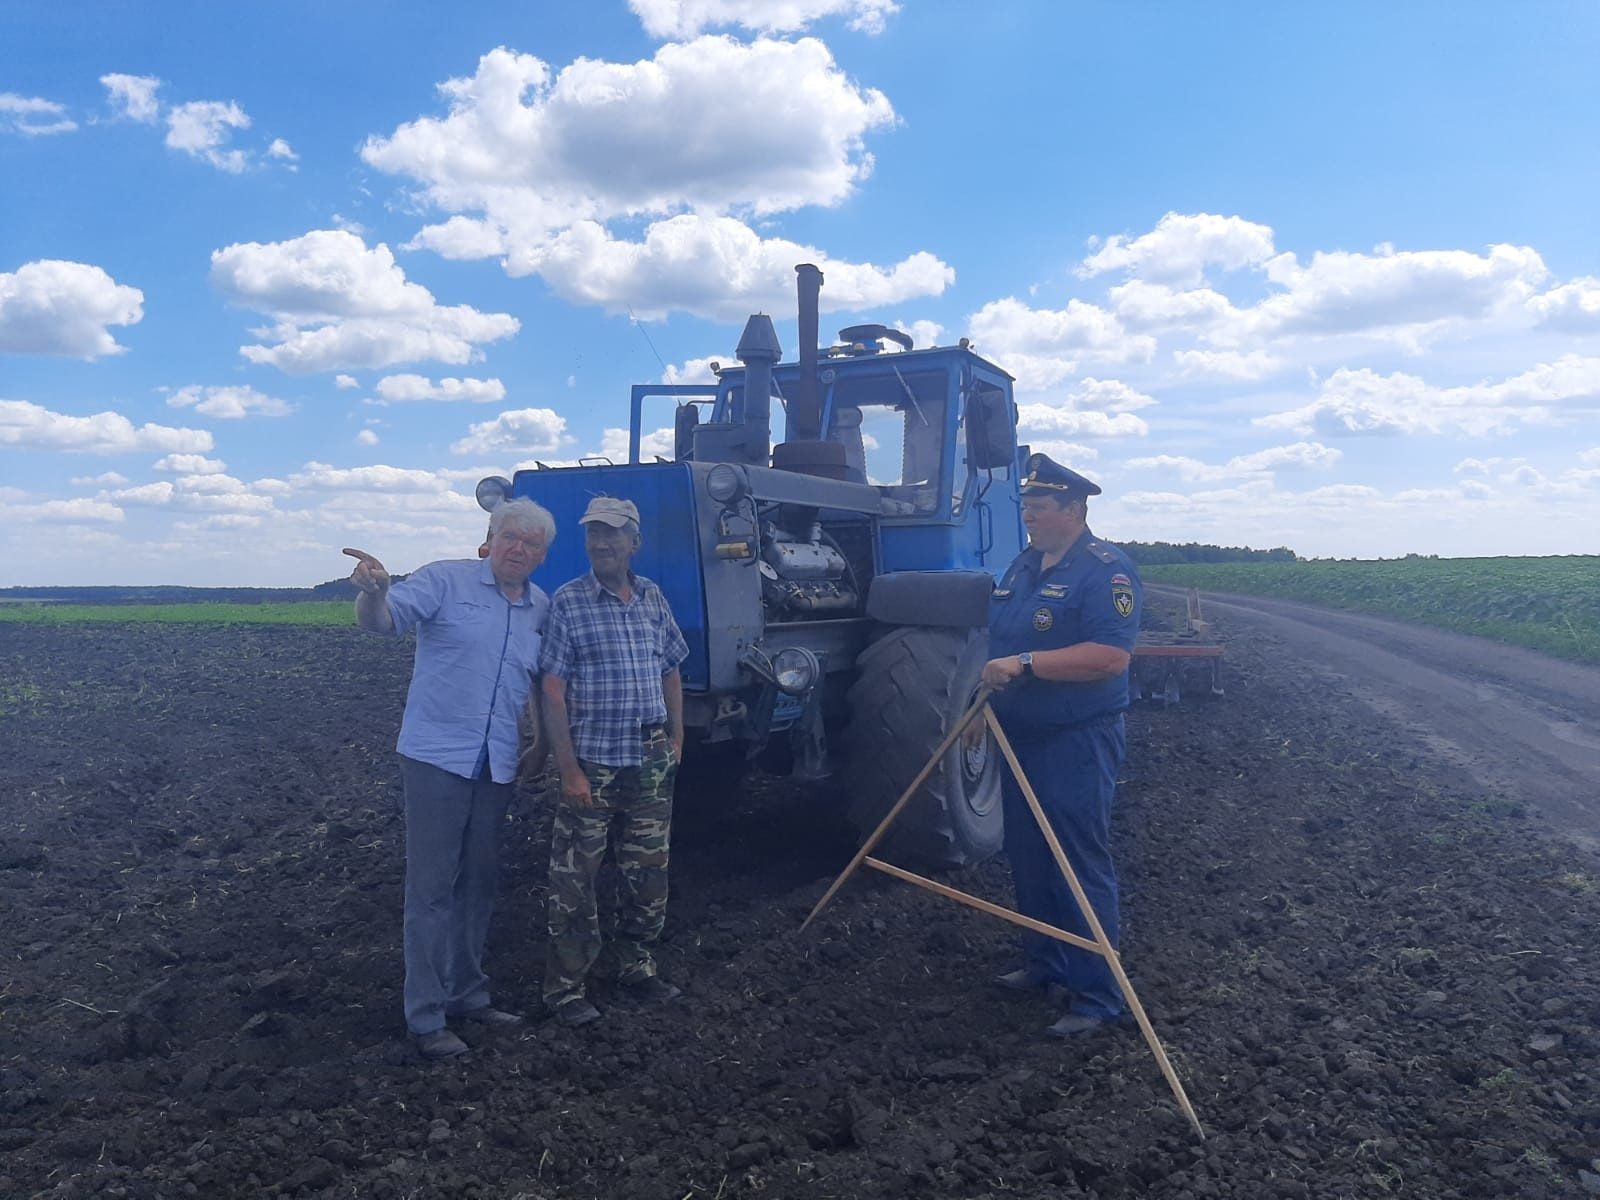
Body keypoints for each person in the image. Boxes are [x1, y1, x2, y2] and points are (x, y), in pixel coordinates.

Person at [344, 496, 555, 1060]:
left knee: (479, 884)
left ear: (541, 555)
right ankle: (427, 1017)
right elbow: (383, 623)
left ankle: (469, 995)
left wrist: (539, 739)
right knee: (432, 890)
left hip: (497, 764)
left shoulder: (539, 606)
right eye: (511, 537)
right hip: (438, 758)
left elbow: (535, 681)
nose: (519, 549)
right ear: (490, 537)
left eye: (532, 543)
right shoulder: (445, 582)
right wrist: (375, 592)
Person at [980, 453, 1142, 1038]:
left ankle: (1096, 996)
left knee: (1076, 860)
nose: (1028, 515)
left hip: (1077, 739)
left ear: (1073, 510)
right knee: (1028, 856)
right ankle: (1043, 964)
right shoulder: (1023, 566)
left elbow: (1110, 657)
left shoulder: (1106, 571)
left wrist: (1025, 662)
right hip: (1018, 734)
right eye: (1026, 505)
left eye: (1039, 507)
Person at [539, 496, 689, 1027]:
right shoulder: (568, 602)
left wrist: (677, 739)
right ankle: (566, 989)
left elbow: (671, 670)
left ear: (634, 542)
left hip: (649, 763)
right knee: (574, 881)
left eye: (612, 534)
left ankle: (636, 966)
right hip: (593, 766)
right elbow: (552, 690)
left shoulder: (652, 598)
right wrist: (570, 769)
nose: (601, 543)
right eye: (593, 534)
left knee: (646, 875)